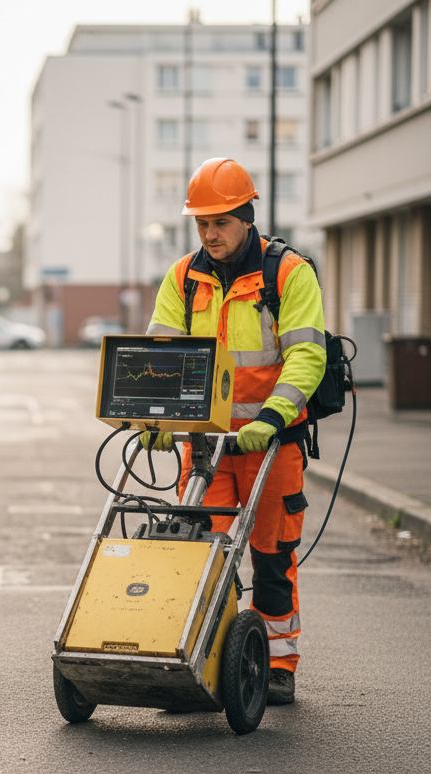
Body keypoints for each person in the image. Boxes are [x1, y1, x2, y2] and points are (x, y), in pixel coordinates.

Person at [143, 157, 327, 705]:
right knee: (199, 551)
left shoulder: (288, 273)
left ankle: (276, 663)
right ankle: (203, 659)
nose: (209, 233)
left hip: (271, 442)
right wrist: (155, 420)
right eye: (201, 223)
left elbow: (306, 356)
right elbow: (162, 355)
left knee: (272, 554)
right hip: (204, 447)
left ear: (247, 216)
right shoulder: (182, 277)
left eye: (219, 222)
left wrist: (272, 416)